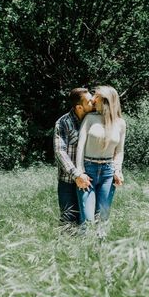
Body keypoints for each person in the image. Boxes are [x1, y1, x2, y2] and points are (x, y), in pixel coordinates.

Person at [75, 86, 126, 234]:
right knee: (88, 219)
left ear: (105, 100)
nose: (93, 99)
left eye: (96, 96)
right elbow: (80, 147)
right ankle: (84, 252)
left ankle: (100, 254)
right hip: (88, 171)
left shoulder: (120, 123)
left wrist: (118, 170)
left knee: (102, 219)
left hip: (108, 173)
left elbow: (120, 150)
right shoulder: (90, 119)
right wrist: (80, 172)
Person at [54, 88, 95, 227]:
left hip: (90, 180)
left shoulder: (95, 120)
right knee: (69, 222)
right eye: (90, 101)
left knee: (89, 222)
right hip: (68, 182)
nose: (94, 102)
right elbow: (60, 152)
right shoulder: (63, 122)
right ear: (79, 107)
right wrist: (77, 175)